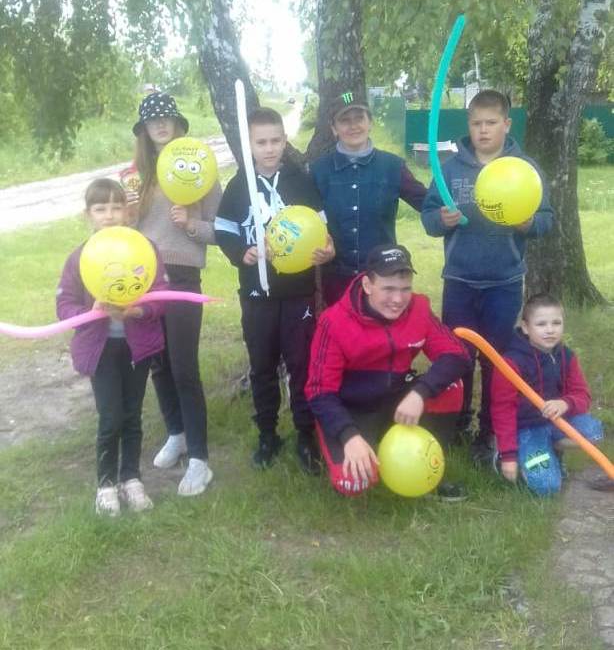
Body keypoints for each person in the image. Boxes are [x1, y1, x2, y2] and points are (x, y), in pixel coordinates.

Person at [420, 89, 554, 461]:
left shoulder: (523, 169)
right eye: (477, 123)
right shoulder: (450, 169)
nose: (483, 130)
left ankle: (490, 430)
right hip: (460, 281)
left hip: (503, 283)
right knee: (457, 356)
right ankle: (457, 421)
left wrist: (529, 223)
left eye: (491, 123)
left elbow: (546, 218)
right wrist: (440, 219)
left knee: (497, 360)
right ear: (469, 125)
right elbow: (428, 217)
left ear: (506, 124)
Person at [215, 107, 335, 472]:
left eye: (275, 141)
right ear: (249, 145)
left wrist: (327, 250)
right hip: (256, 294)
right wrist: (242, 252)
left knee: (300, 363)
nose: (269, 148)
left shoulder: (301, 182)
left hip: (297, 291)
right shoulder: (239, 186)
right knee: (262, 365)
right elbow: (224, 231)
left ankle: (305, 434)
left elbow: (322, 231)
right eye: (261, 142)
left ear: (285, 141)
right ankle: (267, 434)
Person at [305, 244, 471, 499]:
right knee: (354, 483)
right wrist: (349, 437)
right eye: (388, 289)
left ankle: (426, 462)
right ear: (367, 285)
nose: (398, 300)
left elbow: (457, 355)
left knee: (451, 385)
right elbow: (319, 391)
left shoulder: (419, 308)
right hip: (353, 410)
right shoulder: (334, 321)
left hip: (397, 401)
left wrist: (420, 393)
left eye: (405, 289)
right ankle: (348, 445)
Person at [56, 178, 167, 516]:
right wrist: (90, 313)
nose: (109, 215)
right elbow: (65, 306)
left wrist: (138, 310)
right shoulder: (79, 258)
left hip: (136, 348)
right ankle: (105, 485)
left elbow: (162, 296)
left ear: (127, 211)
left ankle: (131, 478)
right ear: (88, 214)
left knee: (132, 415)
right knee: (110, 416)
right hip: (101, 349)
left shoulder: (144, 250)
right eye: (100, 208)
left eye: (116, 207)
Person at [130, 91, 222, 496]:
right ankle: (177, 433)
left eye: (167, 118)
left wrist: (190, 224)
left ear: (179, 124)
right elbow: (122, 235)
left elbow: (222, 229)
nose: (161, 125)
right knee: (159, 364)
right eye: (153, 121)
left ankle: (200, 459)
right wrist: (127, 215)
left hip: (183, 277)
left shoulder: (199, 170)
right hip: (144, 278)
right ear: (144, 131)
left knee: (184, 366)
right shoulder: (137, 176)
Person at [310, 92, 427, 305]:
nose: (353, 126)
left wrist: (450, 207)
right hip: (336, 280)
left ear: (370, 122)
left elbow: (427, 203)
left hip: (382, 279)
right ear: (334, 128)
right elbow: (308, 219)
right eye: (345, 120)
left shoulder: (392, 166)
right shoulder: (319, 170)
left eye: (359, 118)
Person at [491, 294, 604, 496]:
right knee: (548, 487)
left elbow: (583, 395)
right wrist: (508, 456)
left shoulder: (566, 356)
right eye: (541, 324)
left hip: (556, 422)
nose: (550, 330)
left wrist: (565, 403)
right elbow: (502, 410)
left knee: (593, 431)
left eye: (556, 323)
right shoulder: (510, 363)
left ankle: (550, 450)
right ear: (526, 327)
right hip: (525, 429)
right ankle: (509, 457)